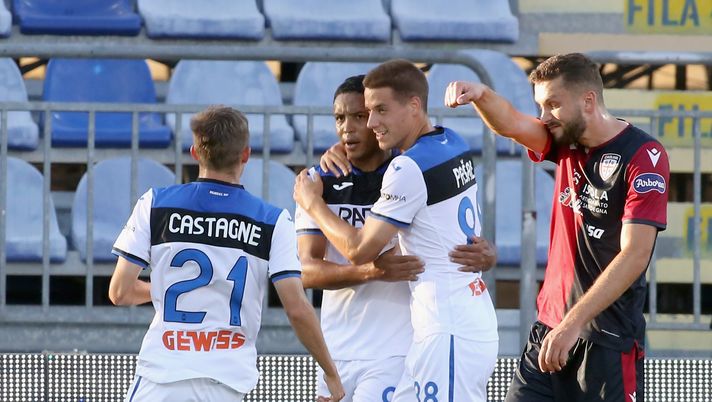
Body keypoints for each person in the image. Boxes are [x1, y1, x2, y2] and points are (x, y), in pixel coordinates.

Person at [445, 53, 669, 402]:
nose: (543, 117)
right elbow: (512, 124)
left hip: (606, 338)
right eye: (540, 105)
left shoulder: (644, 155)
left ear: (588, 101)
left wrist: (574, 323)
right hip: (549, 330)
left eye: (552, 104)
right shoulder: (564, 140)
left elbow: (636, 253)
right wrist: (480, 94)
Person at [294, 60, 499, 402]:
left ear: (413, 106)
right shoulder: (450, 143)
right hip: (344, 350)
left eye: (367, 114)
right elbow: (306, 269)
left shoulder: (406, 169)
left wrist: (312, 204)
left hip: (412, 343)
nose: (358, 126)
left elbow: (360, 249)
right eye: (340, 118)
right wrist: (371, 272)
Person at [108, 106, 344, 402]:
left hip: (160, 376)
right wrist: (331, 373)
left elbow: (119, 292)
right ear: (246, 154)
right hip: (225, 382)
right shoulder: (271, 220)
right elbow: (297, 308)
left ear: (195, 152)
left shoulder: (155, 204)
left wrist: (177, 285)